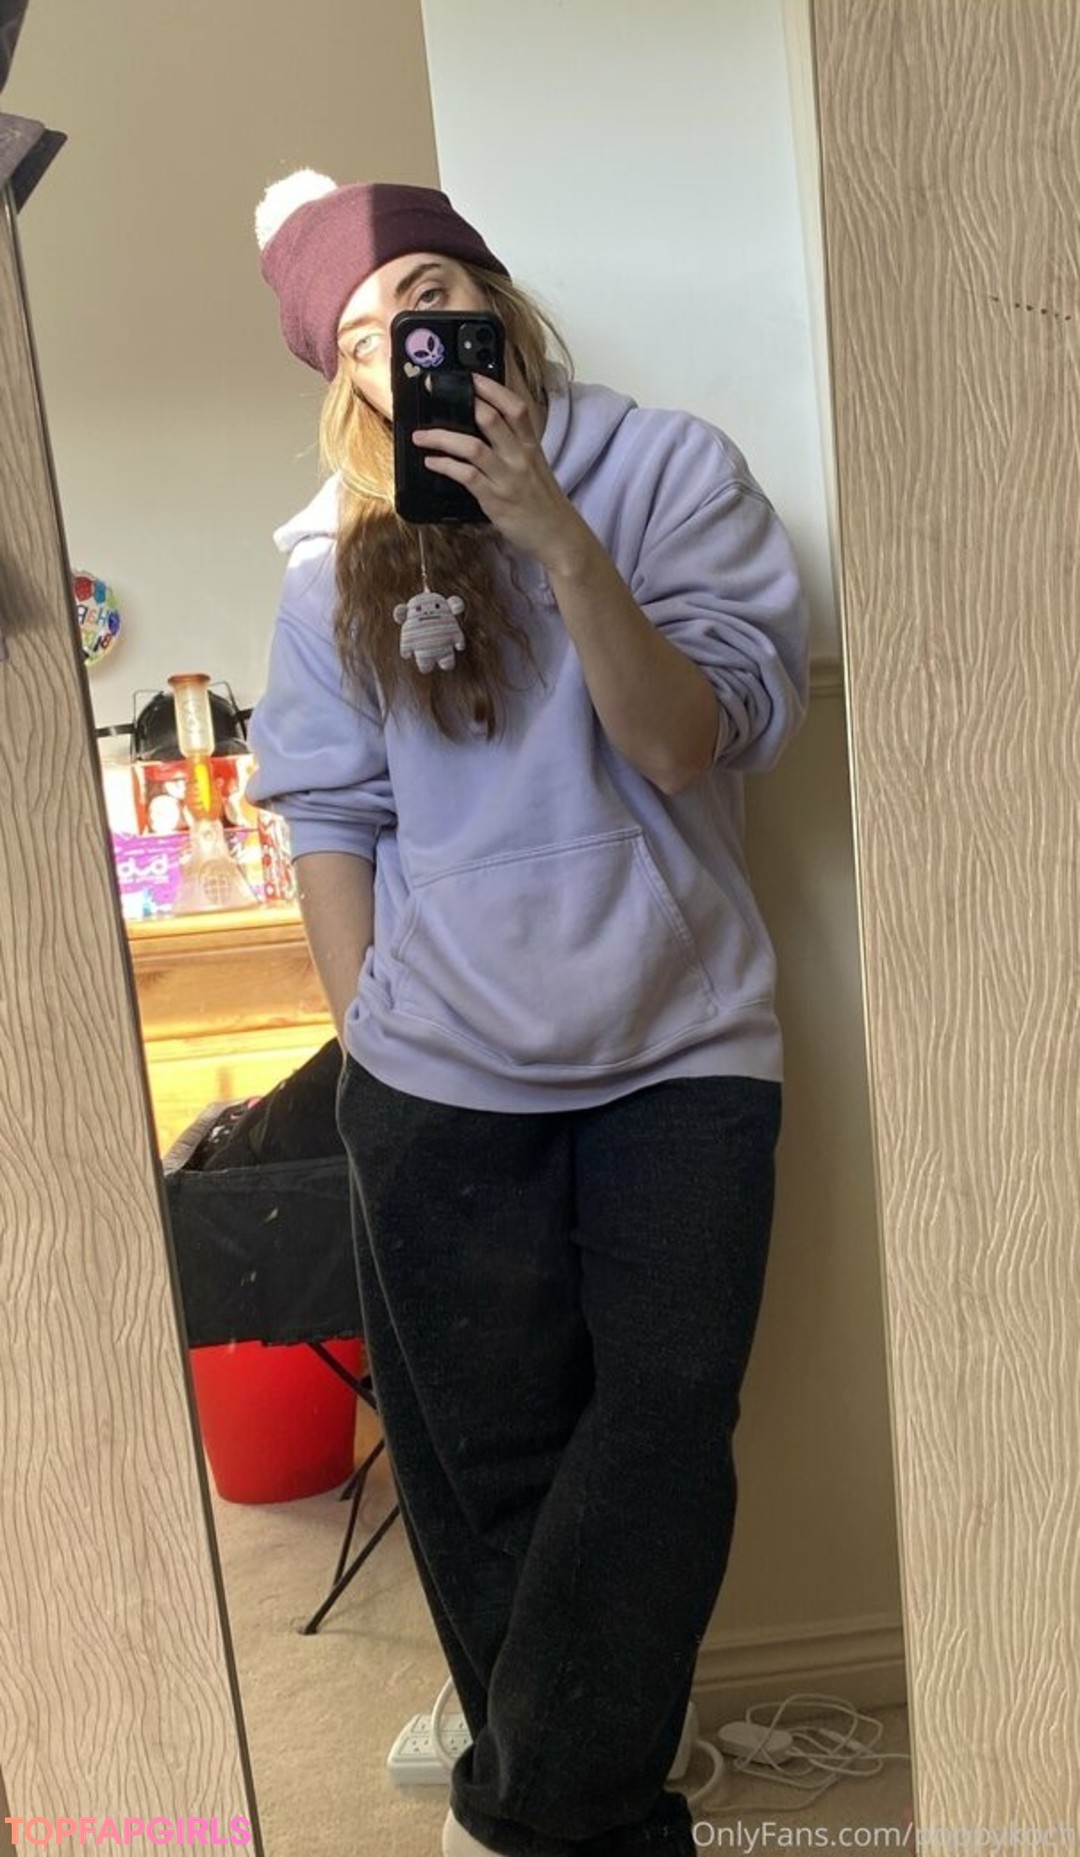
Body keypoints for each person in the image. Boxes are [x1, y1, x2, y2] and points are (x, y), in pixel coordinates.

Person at [247, 170, 810, 1857]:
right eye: (365, 334)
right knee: (486, 1465)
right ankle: (581, 1802)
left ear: (495, 298)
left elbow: (686, 742)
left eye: (429, 293)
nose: (408, 338)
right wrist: (366, 1031)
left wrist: (556, 532)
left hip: (681, 1048)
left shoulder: (668, 471)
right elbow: (330, 815)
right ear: (348, 383)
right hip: (437, 1074)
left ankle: (525, 1810)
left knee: (661, 1436)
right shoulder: (326, 561)